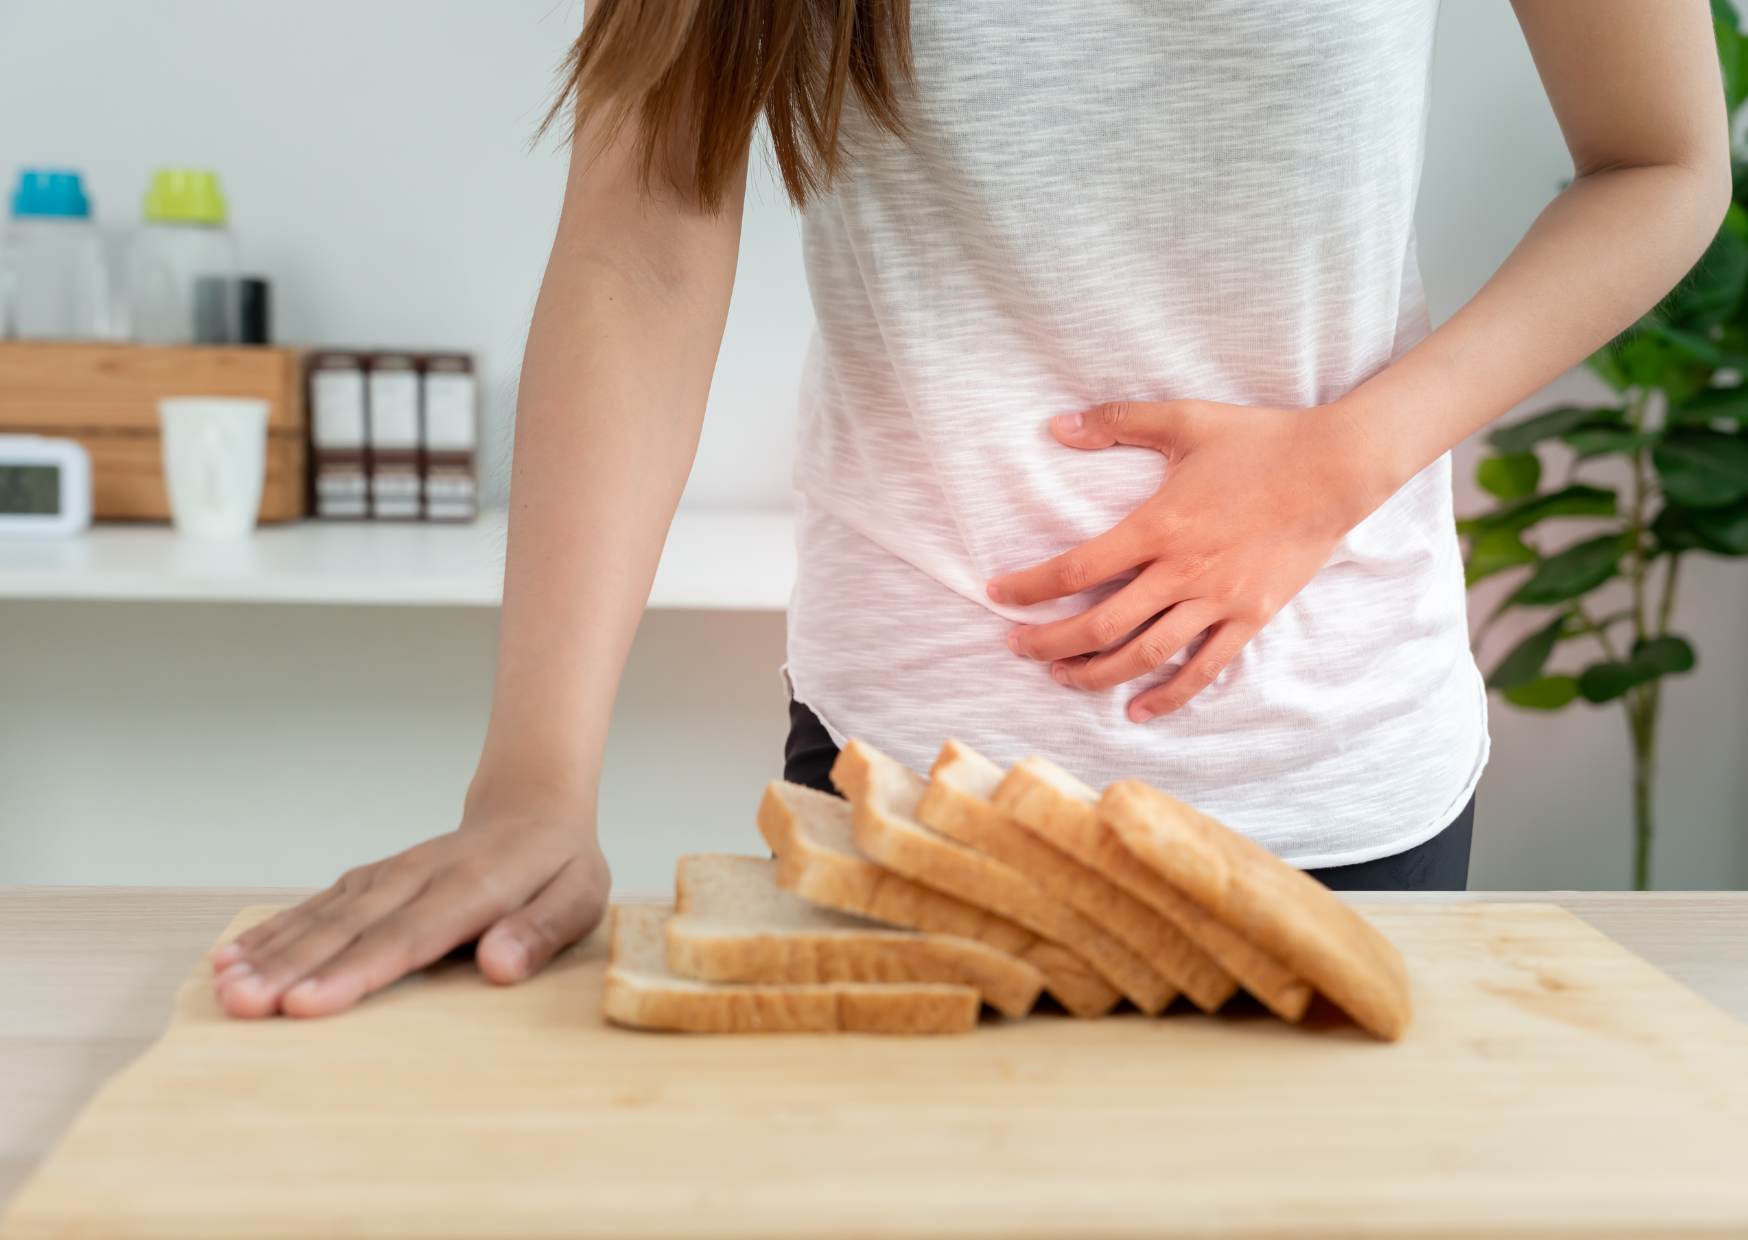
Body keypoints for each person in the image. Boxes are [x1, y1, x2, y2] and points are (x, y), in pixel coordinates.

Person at [212, 0, 1729, 1018]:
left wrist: (1340, 463)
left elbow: (1663, 163)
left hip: (1339, 788)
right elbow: (644, 244)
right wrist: (532, 783)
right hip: (904, 807)